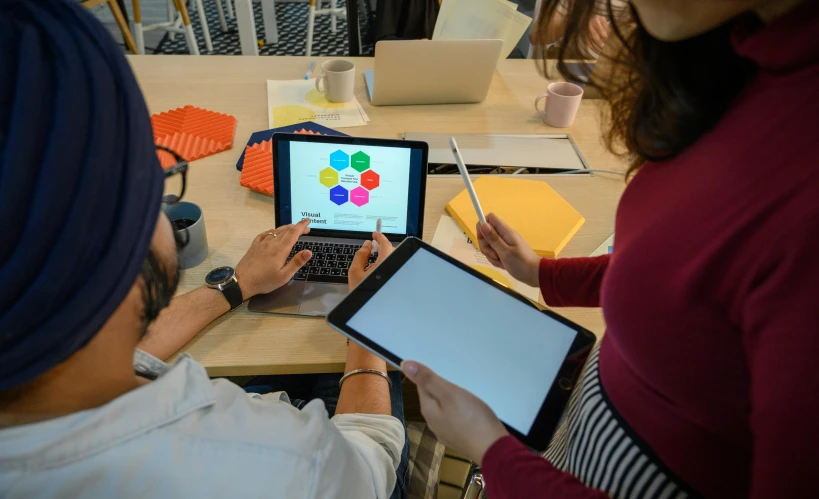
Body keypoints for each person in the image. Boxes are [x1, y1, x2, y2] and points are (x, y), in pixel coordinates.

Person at [401, 0, 819, 497]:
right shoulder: (742, 57)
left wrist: (490, 448)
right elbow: (682, 269)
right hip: (578, 444)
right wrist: (544, 274)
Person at [0, 2, 405, 498]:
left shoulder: (38, 357)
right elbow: (369, 467)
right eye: (156, 182)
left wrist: (237, 286)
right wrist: (365, 320)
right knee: (392, 371)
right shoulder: (269, 460)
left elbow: (131, 355)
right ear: (97, 236)